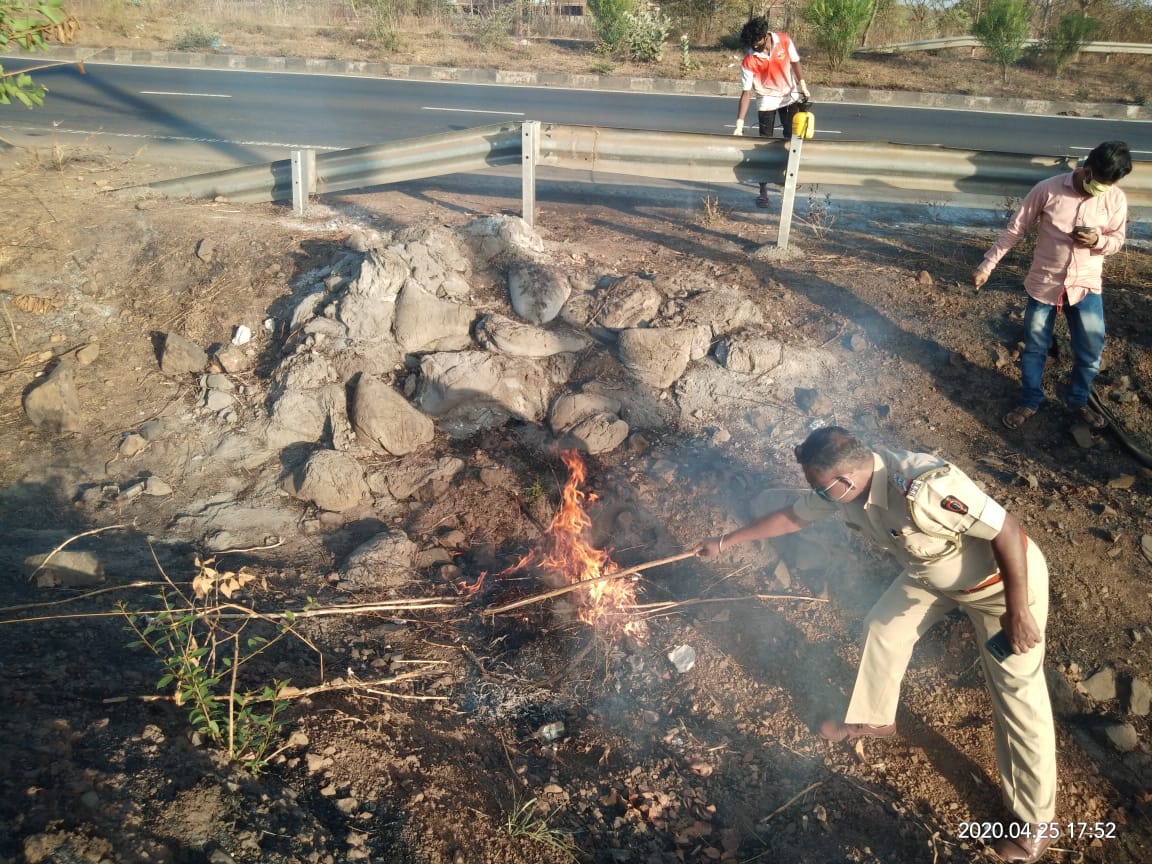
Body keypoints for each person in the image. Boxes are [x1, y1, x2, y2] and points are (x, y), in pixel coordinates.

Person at [695, 427, 1056, 863]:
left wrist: (1018, 611)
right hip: (932, 576)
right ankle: (875, 719)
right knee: (884, 627)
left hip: (1001, 589)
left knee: (1017, 698)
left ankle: (1037, 823)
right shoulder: (845, 486)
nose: (816, 494)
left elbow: (1008, 531)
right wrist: (725, 541)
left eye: (819, 486)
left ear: (845, 480)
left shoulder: (926, 487)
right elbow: (793, 516)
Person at [973, 140, 1132, 432]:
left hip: (1085, 286)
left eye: (1110, 184)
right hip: (1044, 284)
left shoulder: (1115, 198)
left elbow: (1118, 240)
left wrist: (1098, 241)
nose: (1103, 189)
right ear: (1087, 169)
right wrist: (987, 265)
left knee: (1091, 350)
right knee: (1035, 348)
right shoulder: (1047, 189)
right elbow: (1015, 229)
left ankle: (1078, 400)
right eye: (1100, 182)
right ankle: (1030, 401)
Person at [732, 16, 810, 208]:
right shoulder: (749, 59)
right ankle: (763, 191)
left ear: (766, 36)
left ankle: (787, 178)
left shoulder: (784, 40)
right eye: (752, 46)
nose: (755, 48)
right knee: (764, 147)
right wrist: (739, 123)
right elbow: (746, 93)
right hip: (766, 100)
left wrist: (802, 84)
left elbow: (795, 62)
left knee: (790, 140)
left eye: (757, 45)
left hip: (788, 96)